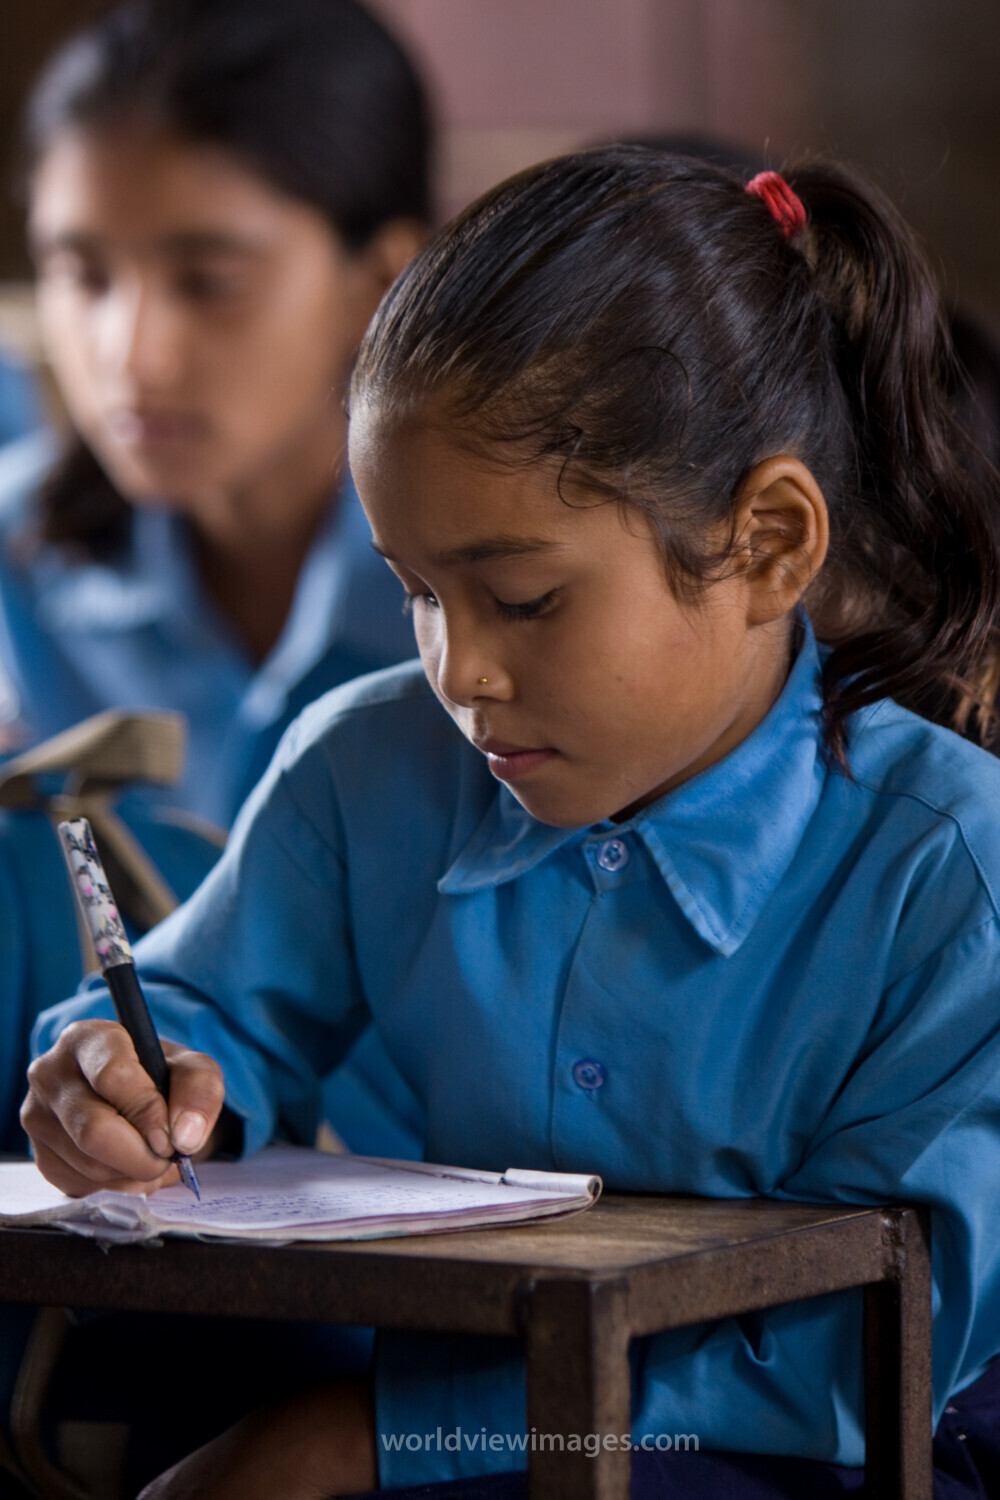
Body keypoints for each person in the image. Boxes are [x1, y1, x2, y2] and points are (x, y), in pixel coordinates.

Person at [24, 148, 1000, 1499]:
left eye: (524, 600)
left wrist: (377, 1442)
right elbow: (204, 1008)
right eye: (416, 593)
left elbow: (854, 1360)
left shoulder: (950, 872)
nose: (459, 672)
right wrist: (128, 1079)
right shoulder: (370, 768)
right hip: (463, 1396)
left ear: (769, 544)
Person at [0, 0, 432, 1160]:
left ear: (380, 276)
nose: (130, 354)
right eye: (81, 274)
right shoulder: (19, 560)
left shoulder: (498, 601)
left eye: (207, 280)